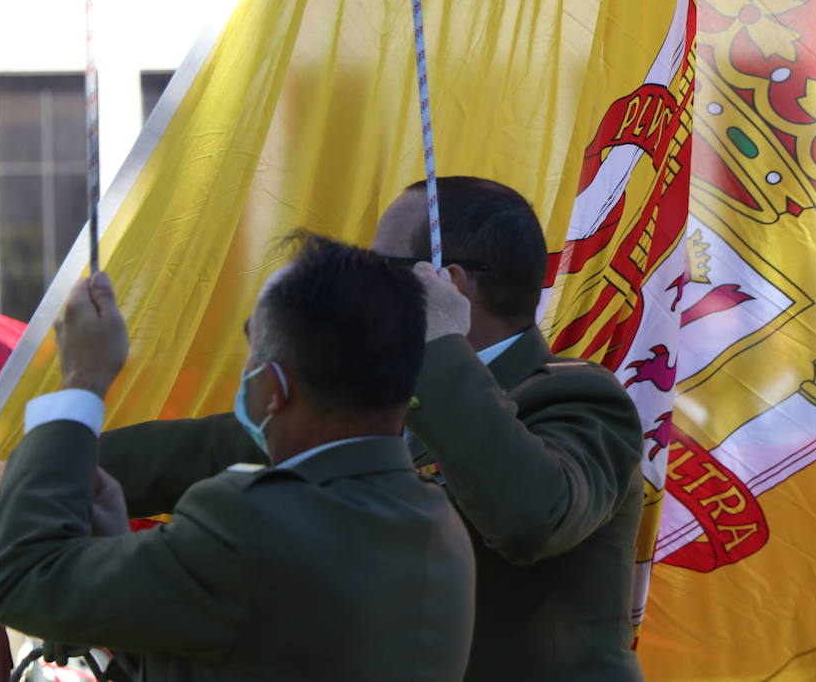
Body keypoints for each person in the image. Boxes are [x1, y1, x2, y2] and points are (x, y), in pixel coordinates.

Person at [99, 177, 646, 680]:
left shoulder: (580, 397)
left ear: (446, 285)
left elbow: (532, 516)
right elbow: (218, 447)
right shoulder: (393, 391)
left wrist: (438, 346)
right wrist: (46, 463)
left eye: (382, 269)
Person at [0, 233, 476, 682]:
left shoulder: (250, 521)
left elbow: (23, 579)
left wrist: (81, 382)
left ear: (275, 389)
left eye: (251, 358)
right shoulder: (438, 522)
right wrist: (118, 549)